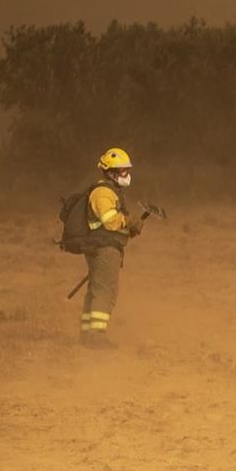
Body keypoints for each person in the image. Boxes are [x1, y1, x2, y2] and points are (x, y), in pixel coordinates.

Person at [78, 147, 143, 348]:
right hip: (104, 249)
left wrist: (128, 229)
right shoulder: (103, 193)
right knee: (105, 291)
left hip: (104, 247)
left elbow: (113, 224)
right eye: (123, 171)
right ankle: (96, 337)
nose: (127, 175)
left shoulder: (109, 191)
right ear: (111, 172)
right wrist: (129, 222)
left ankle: (87, 335)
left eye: (127, 170)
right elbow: (110, 221)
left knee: (97, 290)